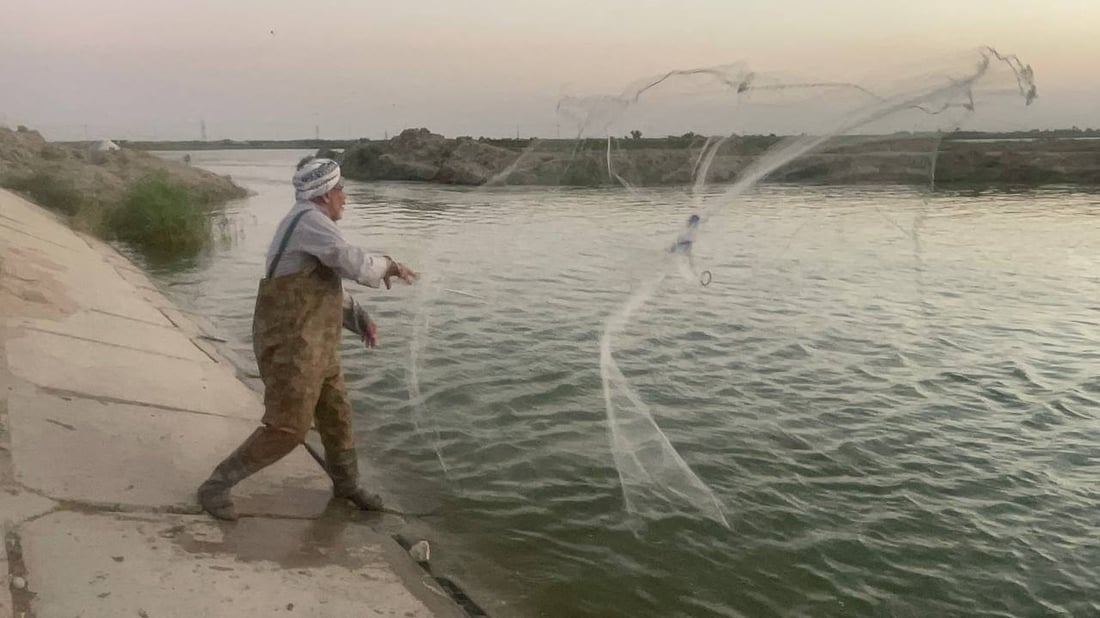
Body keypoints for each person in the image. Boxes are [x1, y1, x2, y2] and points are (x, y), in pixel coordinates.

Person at [197, 157, 417, 520]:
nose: (345, 197)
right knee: (289, 428)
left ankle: (347, 485)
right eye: (341, 190)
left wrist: (359, 319)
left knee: (337, 416)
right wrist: (391, 264)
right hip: (292, 349)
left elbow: (324, 285)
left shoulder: (308, 223)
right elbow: (354, 263)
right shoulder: (310, 221)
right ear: (325, 194)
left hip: (317, 349)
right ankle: (216, 485)